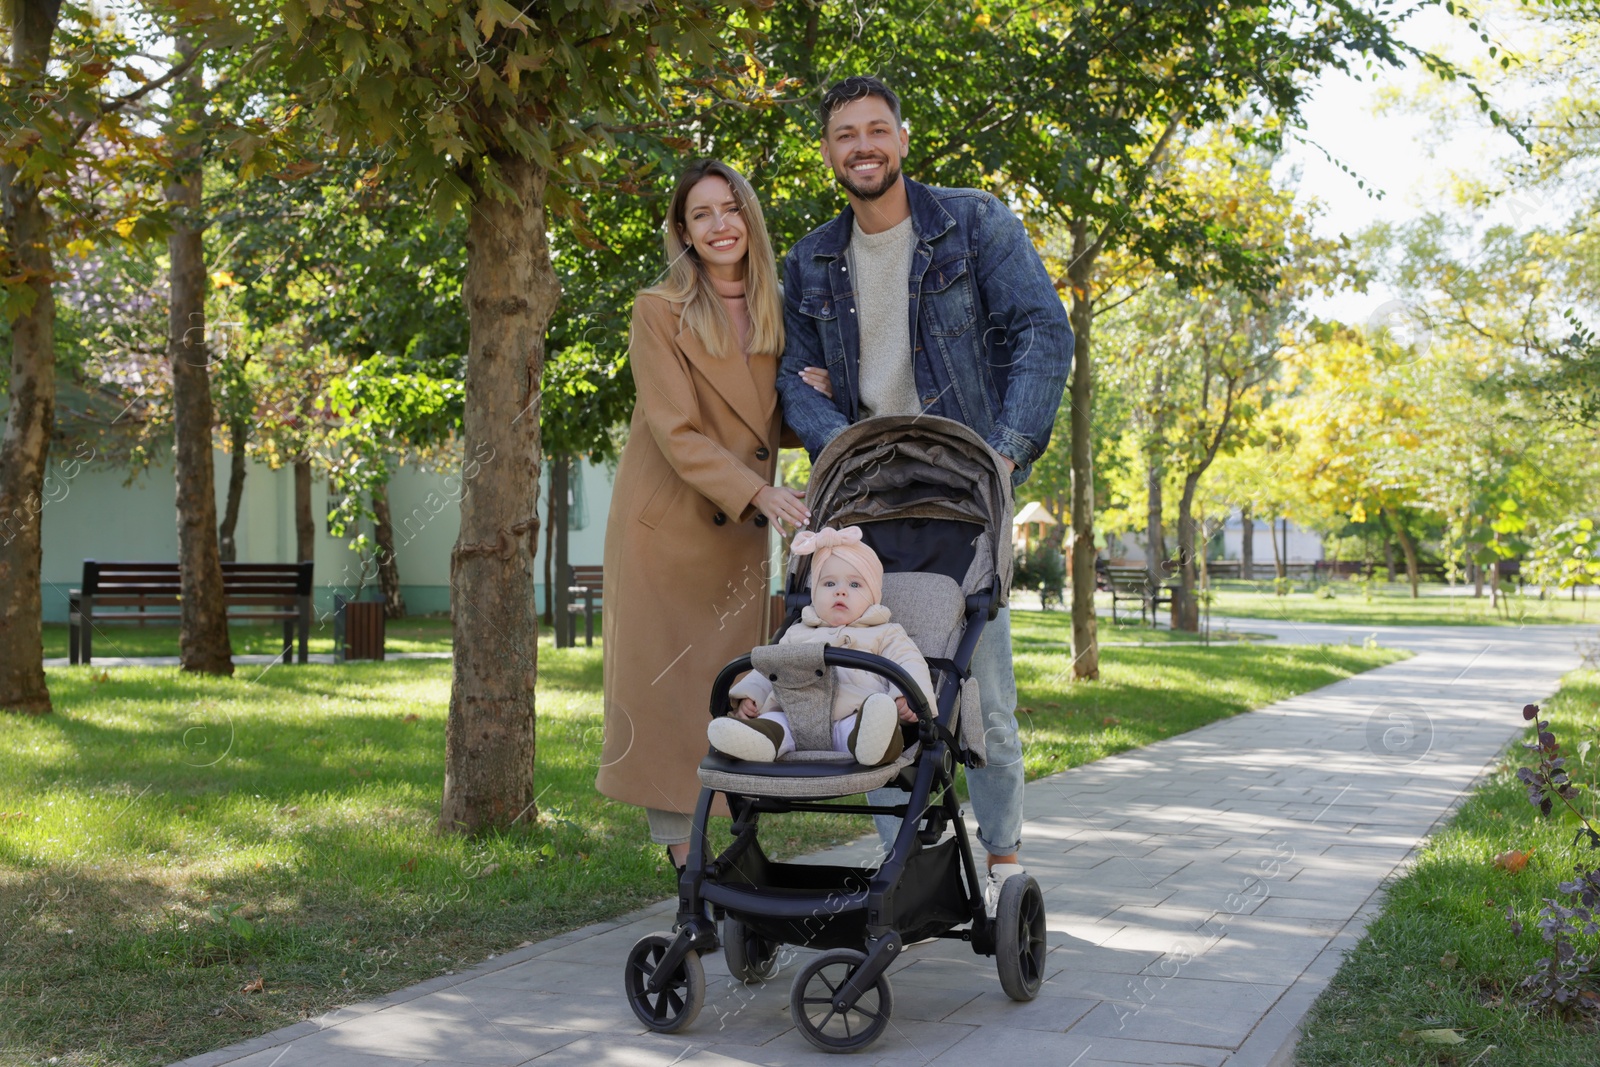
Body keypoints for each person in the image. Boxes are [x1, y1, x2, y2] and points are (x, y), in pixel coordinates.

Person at [775, 76, 1074, 905]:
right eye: (844, 133)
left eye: (877, 129)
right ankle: (901, 859)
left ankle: (1005, 858)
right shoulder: (811, 260)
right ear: (829, 150)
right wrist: (846, 447)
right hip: (867, 502)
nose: (862, 145)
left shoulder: (972, 224)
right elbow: (790, 380)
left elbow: (1045, 330)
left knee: (985, 698)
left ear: (903, 139)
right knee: (871, 683)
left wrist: (1005, 455)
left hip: (960, 492)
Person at [597, 160, 816, 873]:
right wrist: (758, 493)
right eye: (702, 215)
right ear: (683, 232)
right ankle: (688, 868)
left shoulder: (776, 307)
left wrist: (814, 387)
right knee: (669, 699)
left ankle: (734, 860)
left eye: (731, 209)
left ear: (749, 218)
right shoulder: (658, 309)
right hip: (671, 531)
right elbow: (676, 428)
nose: (720, 225)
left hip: (741, 530)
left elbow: (760, 422)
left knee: (732, 693)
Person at [710, 526, 934, 768]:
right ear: (814, 594)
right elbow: (768, 669)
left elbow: (910, 662)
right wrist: (750, 696)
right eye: (828, 584)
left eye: (855, 585)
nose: (840, 591)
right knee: (775, 721)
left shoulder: (885, 633)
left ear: (874, 596)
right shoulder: (797, 633)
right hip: (793, 717)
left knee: (873, 718)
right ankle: (757, 739)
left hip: (852, 718)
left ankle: (874, 744)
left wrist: (905, 697)